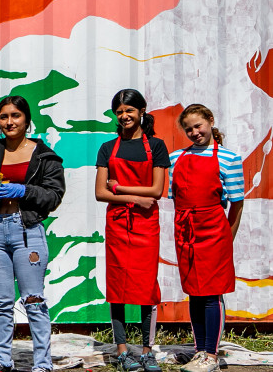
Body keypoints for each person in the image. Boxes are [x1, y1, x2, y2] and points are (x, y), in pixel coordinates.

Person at [0, 96, 66, 372]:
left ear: (26, 119)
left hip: (27, 231)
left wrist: (24, 191)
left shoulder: (44, 155)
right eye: (3, 117)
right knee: (1, 302)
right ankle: (2, 359)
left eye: (15, 116)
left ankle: (43, 363)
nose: (9, 122)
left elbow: (54, 195)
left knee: (33, 300)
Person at [94, 89, 169, 372]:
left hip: (146, 226)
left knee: (147, 287)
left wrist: (120, 187)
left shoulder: (157, 146)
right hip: (117, 223)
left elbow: (157, 190)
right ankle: (123, 351)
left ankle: (148, 352)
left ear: (141, 112)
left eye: (129, 110)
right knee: (118, 286)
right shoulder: (107, 147)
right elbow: (100, 193)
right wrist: (134, 199)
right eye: (119, 111)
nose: (124, 116)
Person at [168, 105, 245, 372]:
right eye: (188, 129)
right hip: (185, 230)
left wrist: (227, 237)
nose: (194, 132)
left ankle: (211, 354)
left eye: (198, 126)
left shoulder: (229, 158)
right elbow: (175, 196)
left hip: (214, 231)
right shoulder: (175, 158)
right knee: (194, 292)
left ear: (210, 121)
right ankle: (199, 350)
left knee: (211, 293)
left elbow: (236, 204)